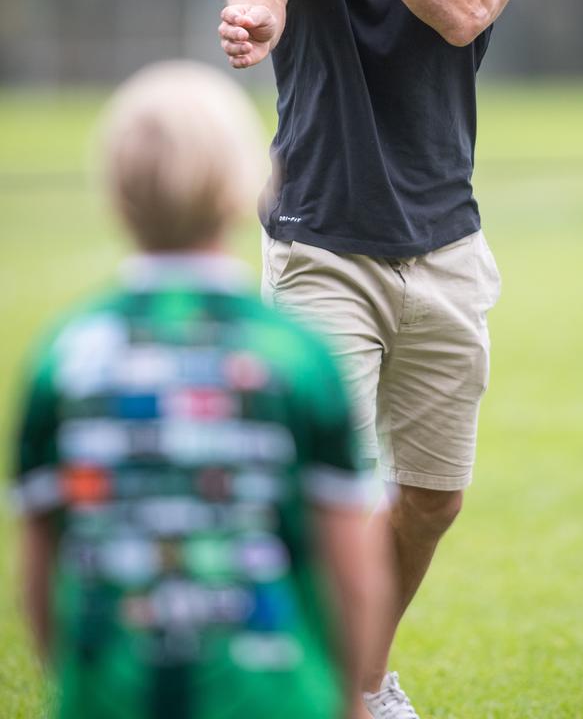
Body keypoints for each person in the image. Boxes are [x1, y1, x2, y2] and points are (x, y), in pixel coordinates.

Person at [218, 0, 525, 716]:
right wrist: (256, 8)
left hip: (444, 248)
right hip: (321, 247)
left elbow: (464, 9)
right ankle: (325, 692)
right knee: (329, 497)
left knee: (432, 498)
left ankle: (359, 673)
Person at [11, 60, 376, 719]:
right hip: (272, 696)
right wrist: (350, 699)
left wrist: (81, 683)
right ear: (249, 188)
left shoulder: (63, 356)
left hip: (109, 696)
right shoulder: (296, 357)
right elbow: (348, 569)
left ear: (114, 192)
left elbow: (38, 575)